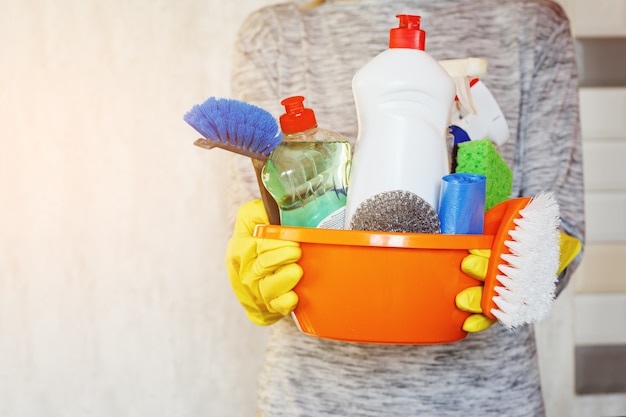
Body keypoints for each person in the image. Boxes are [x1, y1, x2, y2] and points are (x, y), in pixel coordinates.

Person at [225, 0, 585, 415]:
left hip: (487, 400)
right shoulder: (273, 34)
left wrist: (519, 272)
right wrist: (256, 264)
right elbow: (259, 222)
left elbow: (563, 224)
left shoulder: (534, 24)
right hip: (314, 400)